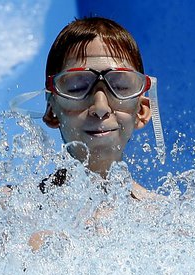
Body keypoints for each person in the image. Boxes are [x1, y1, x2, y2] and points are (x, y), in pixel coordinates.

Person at [13, 17, 163, 250]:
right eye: (76, 87)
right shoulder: (15, 208)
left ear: (142, 111)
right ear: (52, 111)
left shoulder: (164, 219)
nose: (101, 107)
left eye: (121, 86)